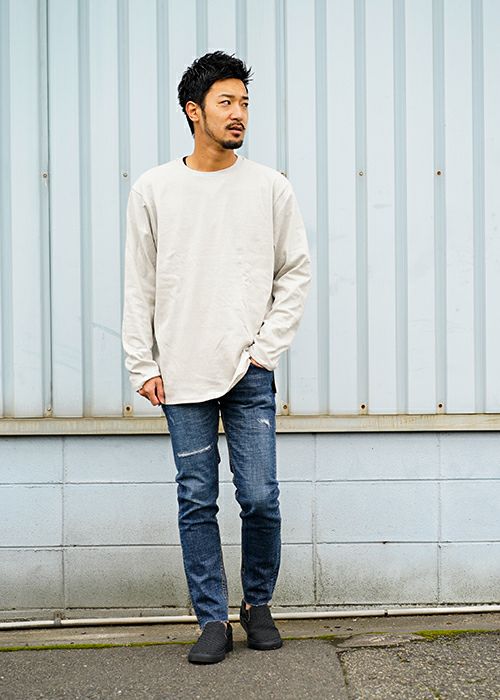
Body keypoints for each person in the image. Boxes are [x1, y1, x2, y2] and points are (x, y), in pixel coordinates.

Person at [122, 51, 311, 664]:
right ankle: (211, 619)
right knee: (197, 499)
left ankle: (257, 604)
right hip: (181, 372)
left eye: (245, 103)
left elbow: (295, 273)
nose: (239, 114)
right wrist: (143, 364)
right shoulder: (154, 188)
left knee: (259, 497)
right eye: (226, 102)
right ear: (193, 111)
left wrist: (265, 352)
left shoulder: (269, 187)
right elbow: (139, 283)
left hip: (249, 372)